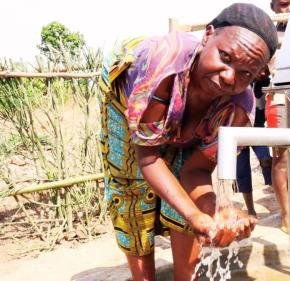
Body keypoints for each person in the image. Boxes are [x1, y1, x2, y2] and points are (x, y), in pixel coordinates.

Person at [99, 3, 278, 280]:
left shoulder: (236, 109)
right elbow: (147, 158)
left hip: (185, 120)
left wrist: (213, 213)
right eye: (226, 57)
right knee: (131, 187)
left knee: (184, 198)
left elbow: (195, 171)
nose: (230, 77)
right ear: (207, 36)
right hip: (130, 95)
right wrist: (194, 216)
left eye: (246, 74)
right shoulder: (163, 68)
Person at [265, 0, 290, 234]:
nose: (289, 9)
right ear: (274, 7)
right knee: (281, 158)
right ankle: (286, 213)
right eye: (283, 5)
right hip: (280, 97)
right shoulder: (269, 33)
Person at [236, 77, 273, 216]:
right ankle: (251, 209)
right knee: (242, 171)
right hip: (238, 130)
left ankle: (273, 189)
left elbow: (261, 97)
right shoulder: (237, 82)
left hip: (256, 128)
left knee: (266, 161)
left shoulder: (264, 81)